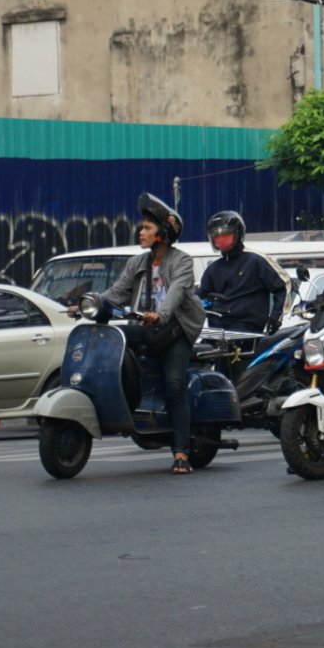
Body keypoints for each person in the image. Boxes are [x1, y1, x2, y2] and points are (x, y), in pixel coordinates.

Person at [99, 193, 204, 475]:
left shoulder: (181, 261)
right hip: (145, 329)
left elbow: (176, 292)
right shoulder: (137, 263)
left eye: (147, 227)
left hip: (174, 331)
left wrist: (161, 314)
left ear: (163, 233)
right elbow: (116, 292)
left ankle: (181, 451)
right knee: (109, 345)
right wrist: (92, 303)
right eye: (142, 226)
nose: (141, 231)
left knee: (174, 386)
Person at [198, 210, 286, 334]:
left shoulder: (255, 261)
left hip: (246, 329)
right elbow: (199, 299)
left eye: (225, 234)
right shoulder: (213, 269)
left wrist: (276, 317)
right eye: (215, 235)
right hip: (218, 330)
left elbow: (282, 288)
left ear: (238, 234)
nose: (219, 239)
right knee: (197, 351)